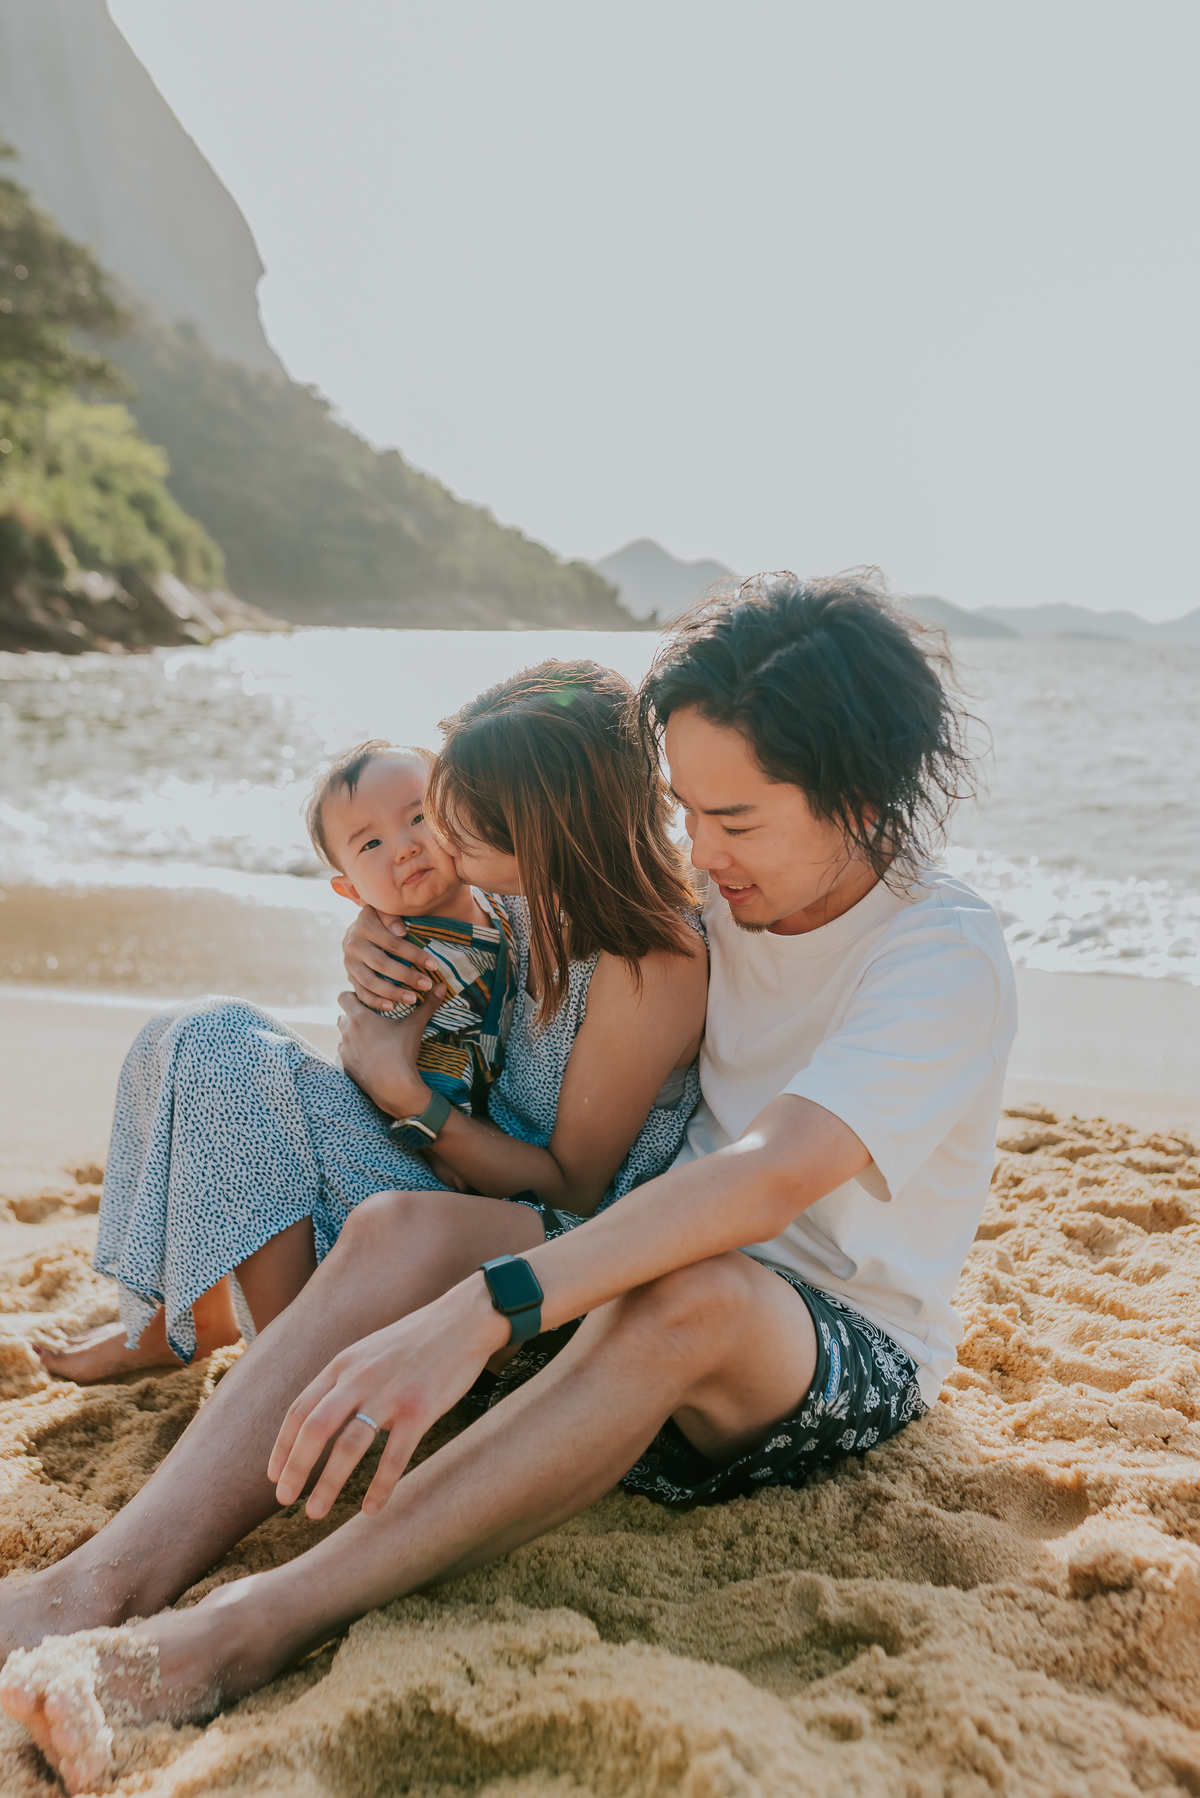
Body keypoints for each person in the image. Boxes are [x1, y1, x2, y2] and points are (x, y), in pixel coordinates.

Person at [0, 572, 1017, 1798]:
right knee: (401, 1226)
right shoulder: (720, 893)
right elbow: (532, 879)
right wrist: (389, 930)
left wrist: (491, 1303)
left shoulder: (938, 955)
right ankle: (95, 1582)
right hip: (622, 1284)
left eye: (736, 822)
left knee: (689, 1288)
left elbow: (766, 1181)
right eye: (687, 810)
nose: (702, 853)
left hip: (816, 1341)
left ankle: (243, 1629)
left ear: (857, 795)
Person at [34, 663, 706, 1385]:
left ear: (540, 823)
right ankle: (200, 1316)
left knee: (225, 1049)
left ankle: (283, 1374)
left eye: (457, 814)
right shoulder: (526, 898)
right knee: (198, 1034)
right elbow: (433, 916)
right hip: (448, 1174)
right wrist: (371, 928)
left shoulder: (647, 961)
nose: (438, 832)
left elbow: (573, 1191)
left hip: (533, 1249)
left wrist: (402, 1093)